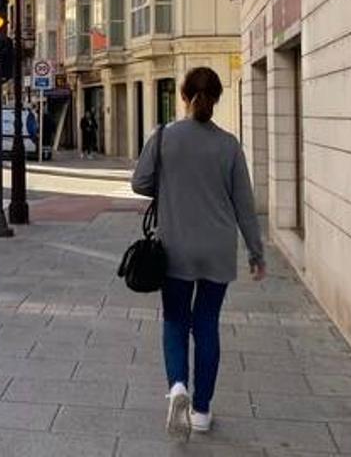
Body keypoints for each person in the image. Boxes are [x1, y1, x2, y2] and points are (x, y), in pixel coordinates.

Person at [131, 67, 265, 440]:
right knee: (206, 325)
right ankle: (203, 411)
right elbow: (244, 204)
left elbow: (139, 182)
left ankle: (177, 387)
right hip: (218, 249)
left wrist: (170, 183)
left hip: (176, 248)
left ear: (183, 96)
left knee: (175, 320)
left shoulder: (163, 137)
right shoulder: (229, 145)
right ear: (217, 99)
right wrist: (256, 251)